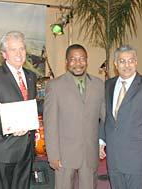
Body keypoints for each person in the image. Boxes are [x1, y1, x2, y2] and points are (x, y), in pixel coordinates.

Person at [0, 31, 37, 189]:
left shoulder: (31, 76)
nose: (19, 53)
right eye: (13, 49)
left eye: (22, 49)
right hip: (4, 148)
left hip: (27, 148)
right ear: (4, 54)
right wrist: (11, 127)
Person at [43, 44, 105, 189]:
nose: (78, 63)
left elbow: (105, 117)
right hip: (64, 154)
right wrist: (53, 155)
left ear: (87, 60)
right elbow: (50, 124)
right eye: (73, 59)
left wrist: (102, 141)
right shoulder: (55, 86)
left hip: (90, 153)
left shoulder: (98, 84)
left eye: (82, 59)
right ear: (66, 62)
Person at [100, 45, 142, 189]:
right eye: (122, 61)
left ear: (136, 62)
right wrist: (101, 140)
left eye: (131, 61)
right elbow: (105, 116)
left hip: (137, 157)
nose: (127, 65)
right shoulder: (108, 85)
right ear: (115, 64)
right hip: (114, 156)